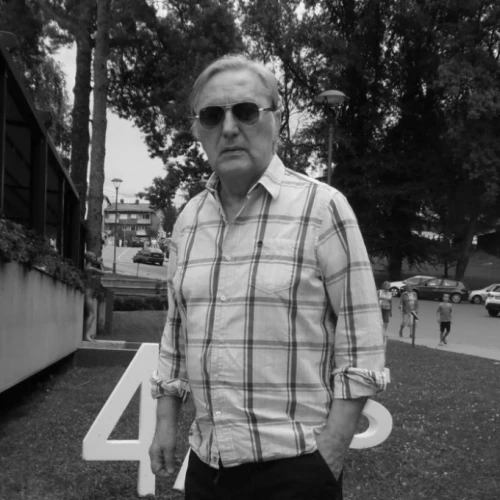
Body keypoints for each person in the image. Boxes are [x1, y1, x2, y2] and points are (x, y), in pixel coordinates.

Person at [149, 54, 387, 500]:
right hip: (206, 467)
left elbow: (363, 343)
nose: (229, 128)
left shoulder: (323, 209)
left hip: (297, 470)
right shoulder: (188, 221)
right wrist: (165, 422)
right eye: (212, 115)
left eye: (246, 111)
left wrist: (330, 455)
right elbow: (176, 333)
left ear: (276, 121)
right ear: (198, 130)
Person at [83, 251, 107, 341]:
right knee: (92, 315)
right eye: (93, 257)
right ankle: (86, 335)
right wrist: (100, 263)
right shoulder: (90, 268)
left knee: (90, 315)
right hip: (88, 294)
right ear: (89, 258)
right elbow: (103, 272)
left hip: (89, 293)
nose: (95, 258)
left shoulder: (88, 267)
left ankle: (87, 335)